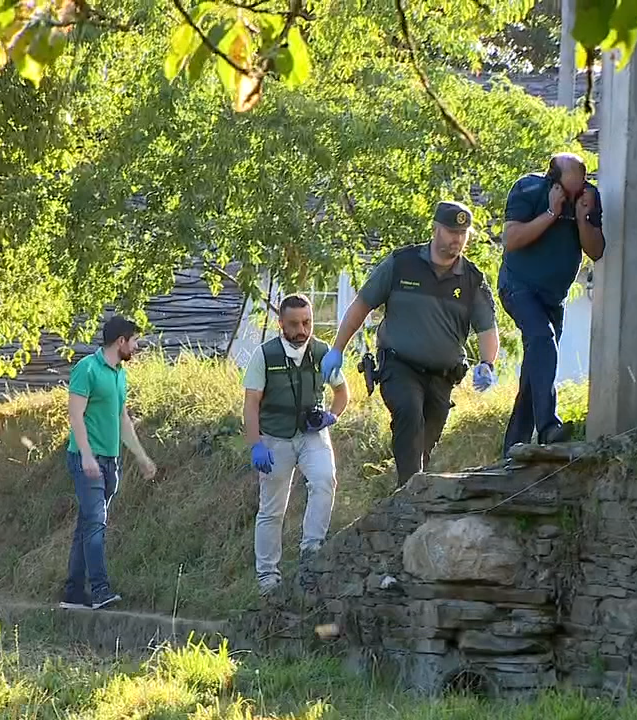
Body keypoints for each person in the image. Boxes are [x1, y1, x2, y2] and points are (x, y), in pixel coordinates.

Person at [323, 201, 499, 487]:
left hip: (443, 376)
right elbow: (361, 306)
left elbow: (487, 329)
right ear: (435, 230)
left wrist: (487, 364)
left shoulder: (471, 280)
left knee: (425, 441)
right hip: (399, 364)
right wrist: (337, 349)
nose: (457, 239)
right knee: (408, 411)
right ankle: (409, 492)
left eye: (463, 233)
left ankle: (411, 494)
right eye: (452, 231)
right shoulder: (401, 264)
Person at [498, 153, 605, 456]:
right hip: (517, 286)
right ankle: (547, 427)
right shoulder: (528, 190)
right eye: (568, 191)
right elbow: (511, 239)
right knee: (542, 339)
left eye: (579, 188)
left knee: (536, 369)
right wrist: (550, 212)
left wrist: (583, 215)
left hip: (552, 297)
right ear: (552, 180)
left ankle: (513, 447)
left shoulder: (587, 197)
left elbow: (595, 250)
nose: (574, 196)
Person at [244, 294, 350, 595]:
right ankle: (267, 575)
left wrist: (331, 416)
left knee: (325, 479)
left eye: (307, 322)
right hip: (275, 437)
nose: (302, 330)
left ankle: (311, 550)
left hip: (311, 433)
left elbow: (343, 393)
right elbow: (251, 404)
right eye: (294, 324)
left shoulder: (321, 352)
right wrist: (256, 444)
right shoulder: (264, 355)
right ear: (281, 323)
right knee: (272, 508)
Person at [60, 315, 157, 611]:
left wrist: (141, 456)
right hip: (85, 459)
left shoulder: (118, 374)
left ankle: (73, 593)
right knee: (96, 523)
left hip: (110, 462)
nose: (137, 346)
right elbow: (75, 415)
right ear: (121, 341)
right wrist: (87, 455)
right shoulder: (86, 369)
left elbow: (121, 418)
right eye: (135, 340)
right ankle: (100, 590)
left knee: (87, 525)